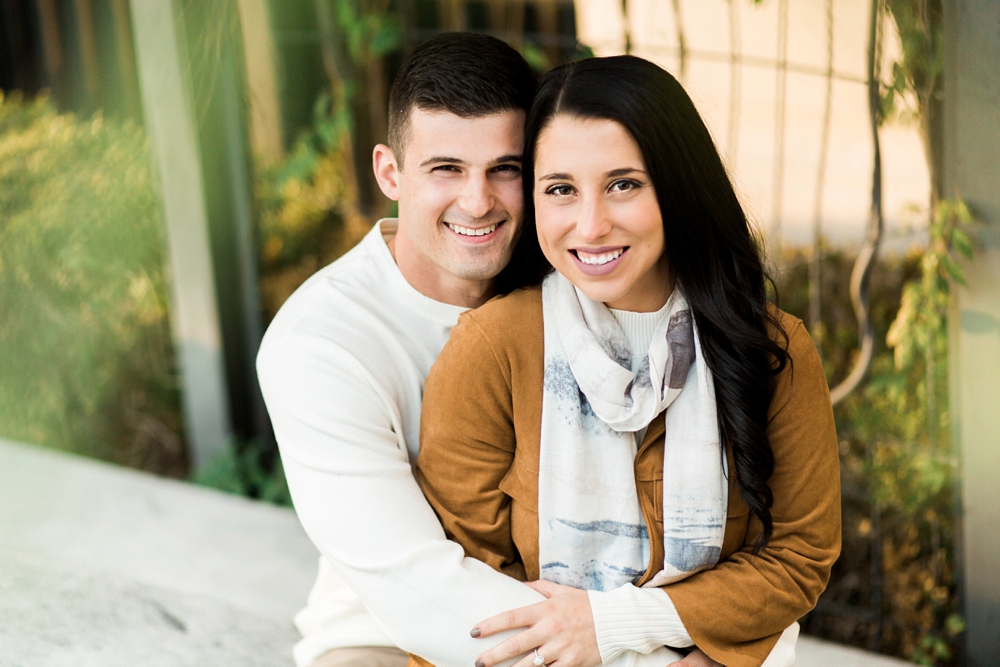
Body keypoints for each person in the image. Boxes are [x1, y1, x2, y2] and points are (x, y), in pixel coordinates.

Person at [415, 55, 842, 667]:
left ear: (677, 186)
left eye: (624, 184)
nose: (590, 226)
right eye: (560, 189)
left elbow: (798, 558)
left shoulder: (769, 348)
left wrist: (617, 626)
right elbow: (468, 581)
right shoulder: (493, 350)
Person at [257, 34, 669, 667]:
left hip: (608, 614)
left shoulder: (583, 266)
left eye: (504, 169)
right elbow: (421, 594)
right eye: (446, 168)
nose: (478, 202)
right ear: (389, 173)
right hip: (390, 636)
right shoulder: (320, 344)